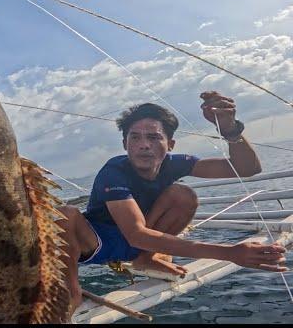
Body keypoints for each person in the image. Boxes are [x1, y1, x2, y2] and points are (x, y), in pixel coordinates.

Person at [57, 91, 288, 309]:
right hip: (97, 243)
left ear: (170, 145)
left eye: (154, 137)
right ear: (125, 144)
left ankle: (145, 259)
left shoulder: (175, 163)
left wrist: (231, 131)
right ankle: (69, 291)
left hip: (140, 243)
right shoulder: (114, 171)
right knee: (66, 213)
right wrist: (229, 253)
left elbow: (247, 168)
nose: (144, 144)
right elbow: (135, 233)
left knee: (183, 195)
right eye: (134, 137)